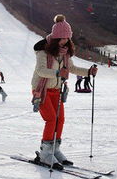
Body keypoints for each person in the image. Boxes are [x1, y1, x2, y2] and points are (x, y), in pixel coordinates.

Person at [31, 14, 98, 169]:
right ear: (55, 38)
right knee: (51, 119)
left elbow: (72, 69)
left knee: (60, 119)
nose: (65, 41)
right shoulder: (43, 52)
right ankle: (45, 152)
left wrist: (89, 71)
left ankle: (54, 149)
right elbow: (41, 71)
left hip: (57, 90)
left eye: (68, 38)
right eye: (62, 38)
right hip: (42, 89)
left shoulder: (65, 53)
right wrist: (56, 73)